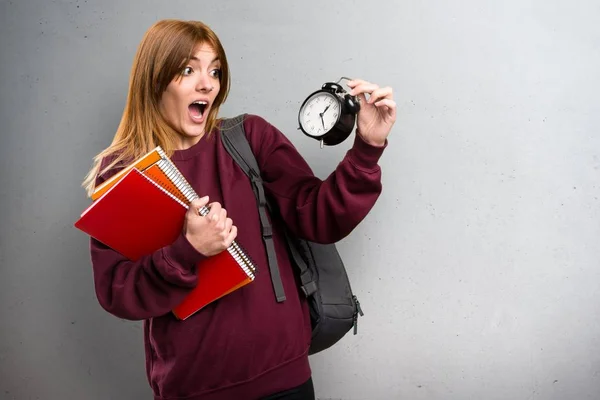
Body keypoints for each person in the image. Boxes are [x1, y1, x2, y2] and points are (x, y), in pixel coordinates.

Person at [81, 19, 396, 400]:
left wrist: (367, 147)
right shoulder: (122, 172)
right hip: (195, 388)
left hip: (285, 379)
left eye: (215, 70)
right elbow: (118, 293)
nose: (207, 83)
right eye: (188, 69)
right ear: (155, 79)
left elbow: (320, 217)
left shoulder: (249, 138)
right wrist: (187, 251)